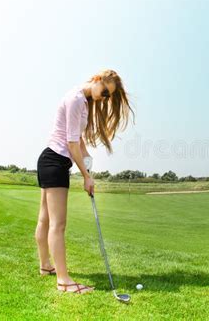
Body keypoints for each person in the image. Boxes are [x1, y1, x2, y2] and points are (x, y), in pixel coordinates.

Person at [35, 69, 135, 294]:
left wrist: (87, 159)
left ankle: (45, 267)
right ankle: (63, 281)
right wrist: (86, 177)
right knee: (57, 225)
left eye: (109, 97)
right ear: (99, 79)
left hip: (51, 159)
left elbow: (78, 140)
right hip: (55, 161)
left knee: (45, 219)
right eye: (106, 92)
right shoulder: (76, 99)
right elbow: (70, 144)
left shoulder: (83, 102)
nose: (105, 98)